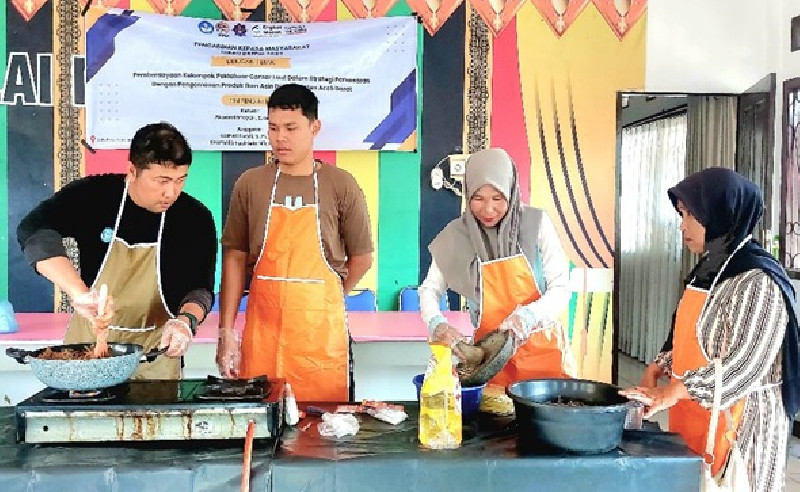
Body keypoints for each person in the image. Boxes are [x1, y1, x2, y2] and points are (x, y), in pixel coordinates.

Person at [620, 168, 799, 491]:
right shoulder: (709, 270)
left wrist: (673, 391)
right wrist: (658, 368)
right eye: (681, 214)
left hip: (743, 426)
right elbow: (694, 338)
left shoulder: (757, 280)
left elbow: (743, 367)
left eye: (692, 215)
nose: (682, 225)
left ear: (722, 214)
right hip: (697, 410)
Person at [17, 122, 218, 379]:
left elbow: (200, 288)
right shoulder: (96, 196)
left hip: (156, 353)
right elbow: (33, 229)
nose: (171, 192)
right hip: (89, 351)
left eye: (180, 180)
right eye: (162, 180)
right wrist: (79, 294)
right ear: (132, 171)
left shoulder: (194, 217)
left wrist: (185, 322)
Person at [216, 83, 374, 401]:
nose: (280, 138)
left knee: (322, 434)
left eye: (291, 128)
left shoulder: (341, 185)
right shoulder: (250, 184)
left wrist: (328, 294)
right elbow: (234, 257)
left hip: (321, 337)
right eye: (273, 128)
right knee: (261, 427)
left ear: (314, 127)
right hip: (262, 335)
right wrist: (226, 331)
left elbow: (363, 257)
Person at [419, 148, 576, 386]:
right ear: (467, 194)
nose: (488, 210)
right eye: (478, 199)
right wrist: (435, 322)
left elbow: (561, 288)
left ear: (511, 193)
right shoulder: (456, 236)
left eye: (498, 198)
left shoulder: (537, 225)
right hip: (489, 359)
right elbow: (430, 289)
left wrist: (528, 316)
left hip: (544, 353)